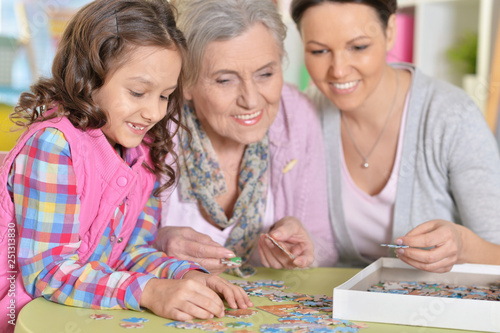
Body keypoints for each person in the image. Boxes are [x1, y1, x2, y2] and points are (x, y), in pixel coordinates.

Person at [0, 1, 252, 331]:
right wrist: (149, 291)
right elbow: (46, 273)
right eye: (137, 92)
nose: (153, 112)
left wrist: (185, 275)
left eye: (164, 96)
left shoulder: (145, 151)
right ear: (89, 78)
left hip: (74, 319)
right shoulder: (53, 144)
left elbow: (130, 251)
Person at [290, 0, 500, 272]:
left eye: (358, 47)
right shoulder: (303, 117)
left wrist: (462, 246)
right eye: (319, 51)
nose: (339, 69)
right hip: (333, 306)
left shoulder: (452, 117)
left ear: (390, 31)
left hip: (433, 306)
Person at [155, 0, 337, 277]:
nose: (251, 100)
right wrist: (157, 244)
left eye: (265, 74)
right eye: (225, 80)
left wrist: (305, 246)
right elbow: (100, 245)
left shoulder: (296, 116)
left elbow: (325, 246)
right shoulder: (153, 123)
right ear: (186, 82)